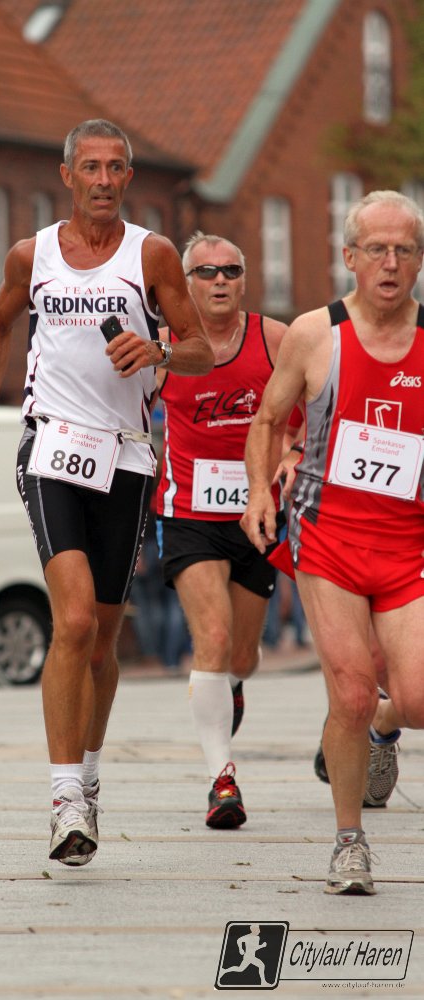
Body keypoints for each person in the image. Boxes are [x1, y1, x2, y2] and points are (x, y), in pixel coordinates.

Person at [0, 119, 213, 866]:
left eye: (116, 168)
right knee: (70, 621)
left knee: (102, 640)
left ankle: (90, 777)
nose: (103, 180)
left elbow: (200, 349)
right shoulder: (31, 255)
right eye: (91, 168)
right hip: (50, 448)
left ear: (128, 177)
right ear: (67, 175)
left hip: (126, 457)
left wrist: (159, 349)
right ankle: (65, 797)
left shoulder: (152, 255)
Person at [241, 190, 424, 895]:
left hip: (409, 546)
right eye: (376, 249)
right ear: (349, 256)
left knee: (416, 699)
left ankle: (386, 724)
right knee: (347, 691)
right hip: (330, 541)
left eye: (403, 250)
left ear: (418, 261)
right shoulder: (315, 334)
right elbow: (267, 420)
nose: (389, 263)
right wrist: (260, 492)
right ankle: (350, 843)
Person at [155, 232, 296, 829]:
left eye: (230, 271)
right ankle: (222, 780)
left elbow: (311, 413)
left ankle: (233, 681)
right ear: (186, 283)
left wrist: (293, 455)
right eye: (206, 272)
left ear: (244, 280)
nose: (219, 281)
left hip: (257, 515)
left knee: (241, 653)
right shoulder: (164, 346)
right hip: (188, 512)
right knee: (210, 638)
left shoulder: (276, 340)